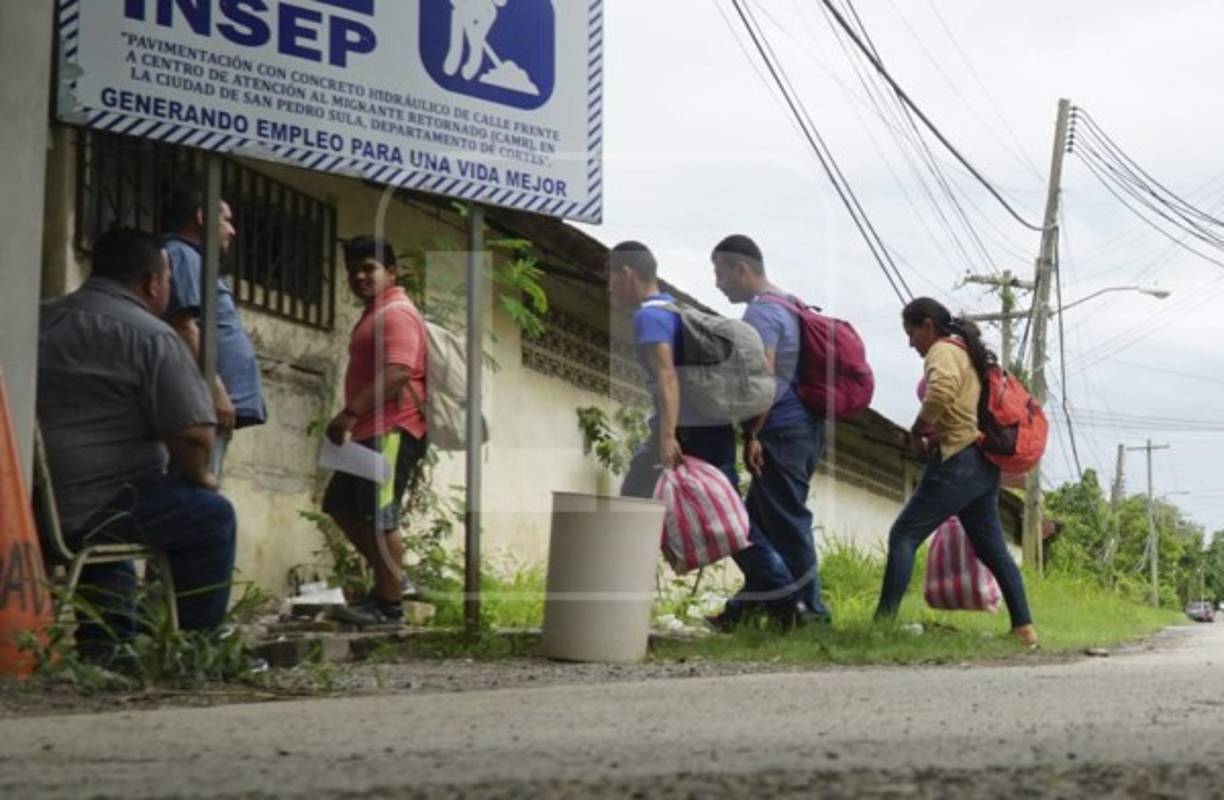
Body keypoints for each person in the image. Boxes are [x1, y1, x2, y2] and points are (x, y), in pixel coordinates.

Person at [37, 228, 237, 658]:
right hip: (102, 504)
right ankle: (198, 649)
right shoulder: (152, 336)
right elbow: (194, 434)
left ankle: (106, 646)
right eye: (167, 280)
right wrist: (199, 475)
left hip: (29, 501)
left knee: (129, 503)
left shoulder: (39, 319)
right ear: (152, 282)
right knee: (211, 516)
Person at [876, 297, 1038, 647]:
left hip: (958, 460)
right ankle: (1024, 628)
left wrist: (918, 427)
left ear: (928, 326)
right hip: (983, 464)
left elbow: (941, 392)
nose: (910, 343)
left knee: (903, 535)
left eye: (911, 333)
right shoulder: (967, 352)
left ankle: (882, 624)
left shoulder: (943, 351)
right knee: (992, 548)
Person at [708, 235, 832, 629]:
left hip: (782, 428)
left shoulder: (761, 314)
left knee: (785, 519)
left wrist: (752, 435)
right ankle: (746, 610)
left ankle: (811, 612)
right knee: (759, 520)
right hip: (805, 425)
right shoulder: (790, 302)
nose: (717, 283)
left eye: (720, 272)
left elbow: (762, 378)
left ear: (740, 268)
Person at [322, 236, 429, 628]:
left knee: (379, 517)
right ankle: (393, 583)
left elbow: (399, 371)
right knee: (341, 505)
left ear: (392, 272)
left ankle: (388, 606)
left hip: (392, 430)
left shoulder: (396, 312)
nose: (360, 277)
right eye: (353, 271)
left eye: (369, 268)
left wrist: (349, 413)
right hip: (372, 430)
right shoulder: (375, 312)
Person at [608, 241, 738, 500]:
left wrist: (667, 437)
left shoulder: (648, 317)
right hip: (718, 429)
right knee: (718, 513)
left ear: (627, 273)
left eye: (610, 278)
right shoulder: (676, 310)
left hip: (685, 433)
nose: (610, 287)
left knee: (634, 503)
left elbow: (667, 376)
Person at [162, 183, 267, 480]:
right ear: (202, 217)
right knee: (196, 488)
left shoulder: (195, 259)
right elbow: (183, 326)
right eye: (226, 220)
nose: (232, 231)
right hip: (204, 402)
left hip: (213, 405)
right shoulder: (182, 255)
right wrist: (216, 390)